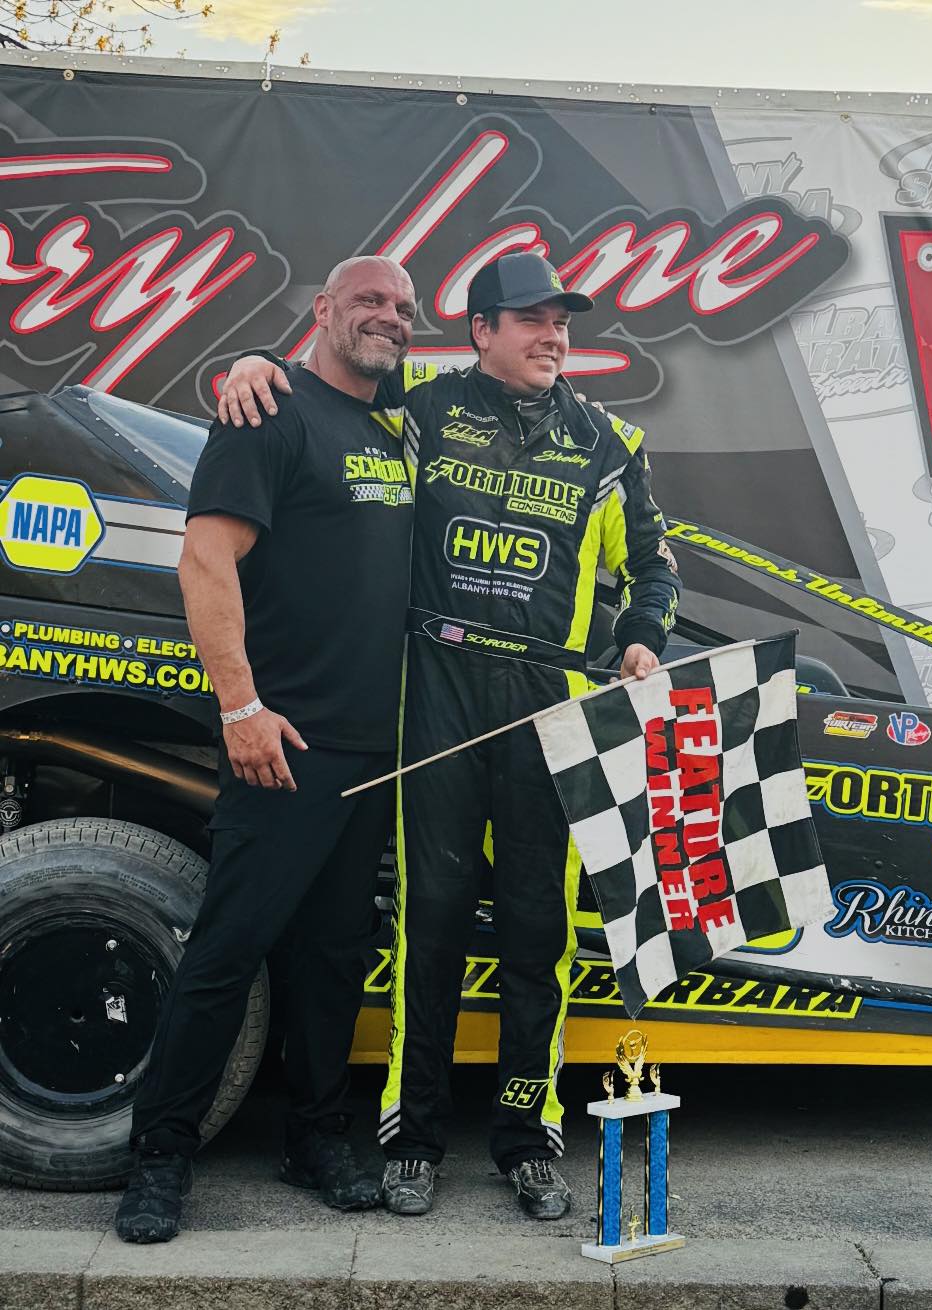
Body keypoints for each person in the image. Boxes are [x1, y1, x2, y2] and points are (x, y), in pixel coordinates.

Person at [218, 251, 681, 1221]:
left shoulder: (610, 440)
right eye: (530, 320)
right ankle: (413, 1134)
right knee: (425, 920)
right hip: (431, 689)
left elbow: (655, 568)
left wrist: (641, 638)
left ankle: (525, 1136)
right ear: (479, 331)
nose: (553, 336)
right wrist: (252, 360)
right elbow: (322, 389)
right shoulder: (420, 405)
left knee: (535, 932)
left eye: (561, 322)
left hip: (548, 704)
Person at [114, 256, 418, 1243]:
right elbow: (205, 556)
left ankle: (315, 1133)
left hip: (378, 750)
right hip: (285, 743)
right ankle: (160, 1150)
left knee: (335, 956)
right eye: (368, 299)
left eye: (404, 307)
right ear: (322, 311)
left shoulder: (397, 423)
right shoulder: (270, 410)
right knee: (229, 949)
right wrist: (240, 707)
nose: (389, 316)